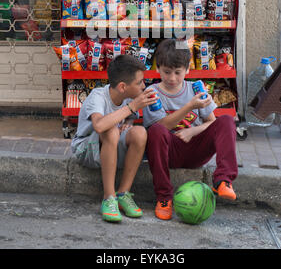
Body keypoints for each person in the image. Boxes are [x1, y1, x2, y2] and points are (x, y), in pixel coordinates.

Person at [142, 38, 238, 221]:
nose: (172, 78)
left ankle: (223, 180)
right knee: (155, 131)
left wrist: (192, 131)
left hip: (196, 150)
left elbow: (213, 123)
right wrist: (189, 106)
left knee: (226, 120)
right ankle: (164, 198)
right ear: (157, 68)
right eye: (166, 72)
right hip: (168, 152)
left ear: (187, 70)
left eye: (178, 72)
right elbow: (161, 126)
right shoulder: (152, 92)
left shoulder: (196, 89)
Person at [71, 54, 157, 223]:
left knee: (140, 133)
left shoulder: (128, 98)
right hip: (86, 150)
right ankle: (109, 197)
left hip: (110, 150)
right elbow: (99, 126)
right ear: (123, 86)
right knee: (110, 130)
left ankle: (123, 194)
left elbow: (130, 117)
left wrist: (129, 121)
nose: (143, 86)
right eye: (139, 82)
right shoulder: (98, 96)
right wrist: (132, 107)